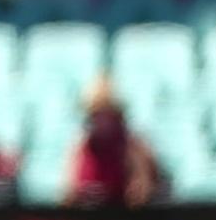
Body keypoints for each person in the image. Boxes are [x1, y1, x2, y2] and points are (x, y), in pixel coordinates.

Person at [64, 79, 162, 208]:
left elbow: (141, 193)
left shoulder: (134, 147)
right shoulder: (81, 147)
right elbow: (69, 193)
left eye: (107, 116)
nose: (102, 122)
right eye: (97, 116)